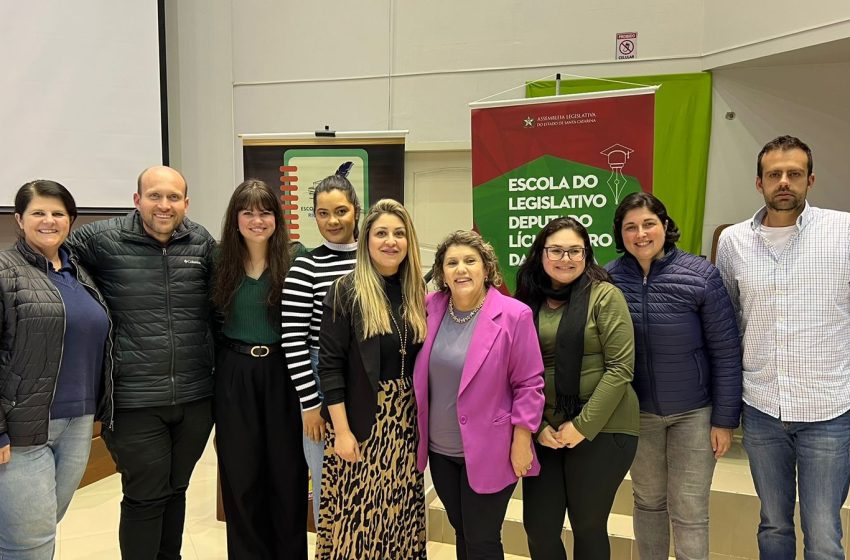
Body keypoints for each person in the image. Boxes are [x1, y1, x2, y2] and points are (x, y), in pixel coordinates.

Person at [69, 166, 216, 560]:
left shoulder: (200, 241)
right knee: (145, 496)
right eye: (155, 196)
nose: (164, 205)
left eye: (173, 197)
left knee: (177, 489)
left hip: (195, 398)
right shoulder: (98, 240)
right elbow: (52, 263)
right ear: (137, 200)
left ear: (185, 202)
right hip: (133, 401)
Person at [716, 135, 850, 560]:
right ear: (759, 183)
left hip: (828, 408)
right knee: (773, 524)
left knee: (824, 533)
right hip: (761, 409)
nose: (784, 182)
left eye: (794, 173)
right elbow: (728, 322)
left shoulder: (844, 231)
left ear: (810, 179)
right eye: (774, 174)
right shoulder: (733, 241)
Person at [606, 192, 742, 560]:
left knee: (689, 510)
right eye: (630, 227)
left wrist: (725, 419)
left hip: (695, 414)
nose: (641, 233)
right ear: (620, 233)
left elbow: (726, 351)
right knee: (648, 502)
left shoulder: (701, 276)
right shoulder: (609, 279)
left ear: (665, 226)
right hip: (639, 414)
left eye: (649, 223)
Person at [413, 230, 544, 560]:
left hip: (492, 451)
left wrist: (521, 441)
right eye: (452, 262)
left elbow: (529, 384)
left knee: (482, 538)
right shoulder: (430, 308)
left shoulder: (514, 315)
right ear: (442, 273)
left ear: (487, 268)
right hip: (442, 453)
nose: (461, 269)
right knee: (463, 532)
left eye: (470, 261)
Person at [515, 217, 639, 560]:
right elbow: (515, 372)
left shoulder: (604, 295)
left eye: (575, 251)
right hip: (546, 431)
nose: (565, 258)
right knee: (539, 529)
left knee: (587, 526)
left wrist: (582, 426)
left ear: (587, 255)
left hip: (604, 428)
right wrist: (537, 427)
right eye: (556, 250)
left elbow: (620, 368)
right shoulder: (527, 301)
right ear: (541, 253)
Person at [0, 180, 112, 560]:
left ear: (71, 221)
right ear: (19, 219)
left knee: (43, 528)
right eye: (38, 213)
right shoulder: (4, 271)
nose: (49, 221)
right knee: (28, 544)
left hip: (78, 423)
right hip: (22, 432)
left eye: (58, 213)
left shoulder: (79, 274)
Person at [315, 199, 427, 559]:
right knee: (358, 521)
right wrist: (342, 432)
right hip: (362, 419)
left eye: (398, 233)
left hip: (407, 421)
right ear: (366, 241)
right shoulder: (345, 291)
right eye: (381, 233)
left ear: (409, 241)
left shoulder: (417, 293)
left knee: (399, 517)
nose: (390, 241)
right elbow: (329, 367)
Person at [211, 179, 307, 558]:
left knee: (287, 474)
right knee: (241, 474)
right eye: (247, 212)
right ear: (235, 219)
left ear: (277, 218)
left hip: (285, 372)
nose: (256, 219)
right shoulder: (219, 260)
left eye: (265, 211)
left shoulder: (297, 257)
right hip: (235, 373)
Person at [281, 174, 360, 527]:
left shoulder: (374, 260)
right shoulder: (305, 267)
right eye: (323, 213)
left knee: (366, 483)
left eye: (341, 211)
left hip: (369, 378)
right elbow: (293, 341)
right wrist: (310, 406)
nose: (333, 221)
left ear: (357, 212)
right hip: (320, 379)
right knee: (329, 482)